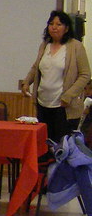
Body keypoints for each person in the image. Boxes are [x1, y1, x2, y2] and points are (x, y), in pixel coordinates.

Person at [20, 10, 90, 145]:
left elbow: (85, 74)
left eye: (59, 24)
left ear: (67, 28)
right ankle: (45, 166)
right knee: (45, 144)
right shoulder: (45, 45)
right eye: (51, 24)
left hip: (64, 106)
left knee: (62, 146)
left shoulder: (75, 46)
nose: (54, 27)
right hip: (43, 103)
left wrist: (69, 95)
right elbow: (36, 66)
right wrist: (27, 82)